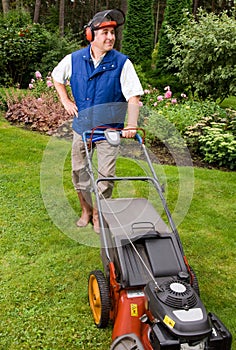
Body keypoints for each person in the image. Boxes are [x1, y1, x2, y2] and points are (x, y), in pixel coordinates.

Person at [52, 9, 144, 233]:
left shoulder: (123, 63)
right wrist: (65, 100)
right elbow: (56, 77)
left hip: (109, 131)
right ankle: (85, 209)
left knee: (106, 177)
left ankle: (97, 215)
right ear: (90, 35)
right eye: (104, 32)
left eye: (112, 32)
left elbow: (134, 96)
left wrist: (131, 125)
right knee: (79, 173)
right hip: (81, 129)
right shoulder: (74, 59)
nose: (110, 37)